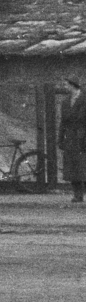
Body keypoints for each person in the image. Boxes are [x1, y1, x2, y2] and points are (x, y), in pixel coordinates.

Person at [60, 76, 86, 205]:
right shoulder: (65, 102)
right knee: (72, 166)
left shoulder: (84, 99)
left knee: (83, 165)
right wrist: (61, 138)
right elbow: (63, 122)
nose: (65, 87)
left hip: (83, 136)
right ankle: (77, 194)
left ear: (73, 85)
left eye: (66, 84)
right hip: (70, 137)